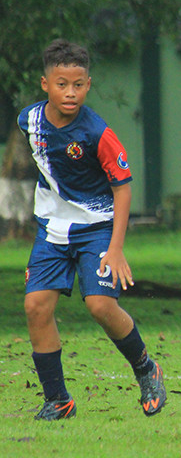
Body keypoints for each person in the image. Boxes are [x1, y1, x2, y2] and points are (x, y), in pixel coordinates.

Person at [18, 39, 167, 421]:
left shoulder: (98, 133)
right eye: (62, 83)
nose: (70, 92)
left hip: (97, 228)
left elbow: (123, 188)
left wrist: (116, 249)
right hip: (52, 230)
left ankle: (146, 369)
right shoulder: (29, 121)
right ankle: (58, 399)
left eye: (79, 84)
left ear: (89, 84)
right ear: (45, 84)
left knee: (100, 305)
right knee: (36, 306)